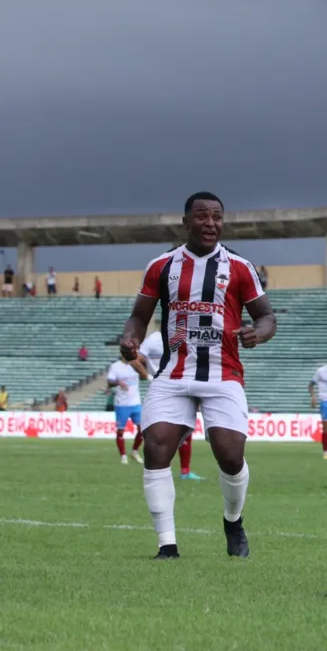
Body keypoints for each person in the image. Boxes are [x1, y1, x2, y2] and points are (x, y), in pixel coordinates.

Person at [119, 191, 276, 561]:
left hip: (224, 374)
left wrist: (259, 332)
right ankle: (167, 544)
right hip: (173, 373)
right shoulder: (162, 266)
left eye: (217, 217)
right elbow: (139, 316)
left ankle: (233, 521)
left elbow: (267, 316)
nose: (211, 224)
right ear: (186, 221)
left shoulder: (240, 267)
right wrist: (131, 339)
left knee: (230, 454)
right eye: (202, 217)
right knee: (157, 447)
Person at [140, 329, 201, 480]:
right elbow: (136, 358)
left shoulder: (184, 336)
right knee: (158, 432)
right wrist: (147, 375)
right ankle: (158, 471)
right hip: (162, 390)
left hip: (183, 387)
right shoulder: (154, 339)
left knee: (185, 429)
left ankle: (185, 471)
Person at [107, 354, 149, 465]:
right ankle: (123, 455)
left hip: (136, 403)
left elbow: (144, 376)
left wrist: (143, 365)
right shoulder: (115, 366)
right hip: (122, 404)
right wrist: (118, 382)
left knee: (143, 430)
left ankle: (134, 451)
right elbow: (110, 382)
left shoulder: (136, 365)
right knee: (120, 430)